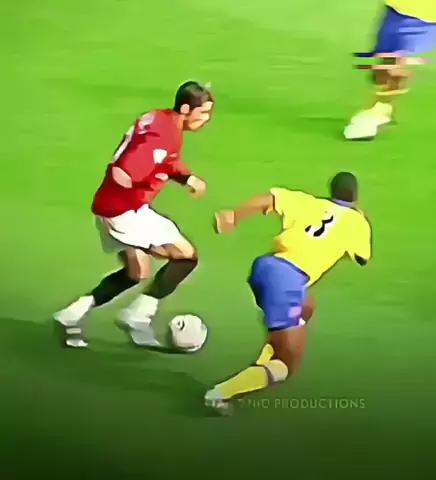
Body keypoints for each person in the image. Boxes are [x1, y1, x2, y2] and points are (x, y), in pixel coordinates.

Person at [54, 81, 213, 349]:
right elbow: (127, 169)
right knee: (185, 256)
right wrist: (132, 181)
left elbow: (166, 159)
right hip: (125, 211)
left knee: (136, 272)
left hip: (108, 206)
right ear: (186, 109)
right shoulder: (164, 136)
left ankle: (71, 314)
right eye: (204, 112)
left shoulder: (160, 118)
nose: (206, 119)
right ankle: (138, 316)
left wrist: (186, 178)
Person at [205, 172, 372, 414]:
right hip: (286, 282)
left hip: (266, 267)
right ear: (355, 196)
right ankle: (220, 394)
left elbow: (269, 198)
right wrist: (360, 218)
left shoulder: (308, 202)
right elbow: (362, 258)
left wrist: (234, 215)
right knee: (286, 364)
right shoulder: (357, 223)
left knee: (307, 306)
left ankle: (263, 360)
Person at [344, 0, 436, 140]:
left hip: (425, 12)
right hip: (397, 8)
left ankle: (378, 111)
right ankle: (383, 105)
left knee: (393, 60)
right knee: (386, 58)